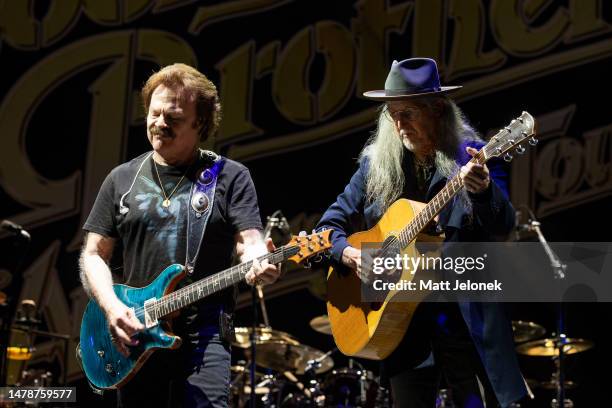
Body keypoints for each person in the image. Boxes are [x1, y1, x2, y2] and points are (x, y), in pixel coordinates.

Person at [316, 58, 528, 407]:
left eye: (409, 113)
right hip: (402, 330)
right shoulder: (375, 166)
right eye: (392, 114)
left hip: (465, 325)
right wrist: (351, 255)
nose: (399, 125)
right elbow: (328, 228)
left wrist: (483, 191)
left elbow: (504, 225)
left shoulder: (471, 157)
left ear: (438, 110)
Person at [79, 63, 279, 408]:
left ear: (199, 123)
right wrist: (112, 308)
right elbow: (94, 254)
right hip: (137, 331)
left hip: (206, 332)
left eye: (172, 117)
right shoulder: (121, 178)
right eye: (154, 114)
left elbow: (250, 240)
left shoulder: (229, 176)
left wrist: (259, 260)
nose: (159, 123)